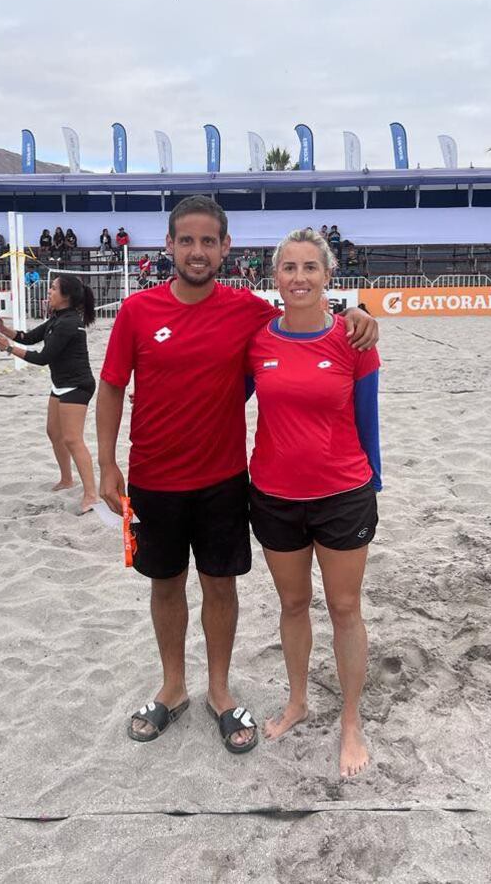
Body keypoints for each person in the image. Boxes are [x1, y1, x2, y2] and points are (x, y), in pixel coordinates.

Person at [96, 195, 378, 754]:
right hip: (152, 477)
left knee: (220, 585)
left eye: (208, 241)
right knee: (165, 583)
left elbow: (308, 313)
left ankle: (219, 691)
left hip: (226, 477)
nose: (197, 251)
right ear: (169, 245)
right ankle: (173, 687)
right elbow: (111, 387)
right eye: (186, 240)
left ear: (225, 248)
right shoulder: (137, 311)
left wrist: (358, 308)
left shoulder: (247, 311)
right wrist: (106, 463)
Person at [245, 228, 381, 778]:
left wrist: (375, 482)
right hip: (274, 495)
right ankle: (298, 701)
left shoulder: (355, 340)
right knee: (293, 606)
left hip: (343, 494)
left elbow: (369, 418)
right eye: (288, 268)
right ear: (274, 277)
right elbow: (222, 398)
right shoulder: (258, 342)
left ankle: (351, 720)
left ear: (328, 276)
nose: (298, 278)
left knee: (345, 609)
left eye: (309, 268)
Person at [0, 274, 100, 515]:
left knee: (73, 439)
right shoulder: (57, 319)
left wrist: (8, 348)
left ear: (66, 297)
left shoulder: (69, 323)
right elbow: (30, 337)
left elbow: (43, 358)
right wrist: (6, 330)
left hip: (77, 386)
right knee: (54, 432)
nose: (49, 292)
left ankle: (91, 495)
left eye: (53, 288)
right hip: (61, 384)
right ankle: (66, 479)